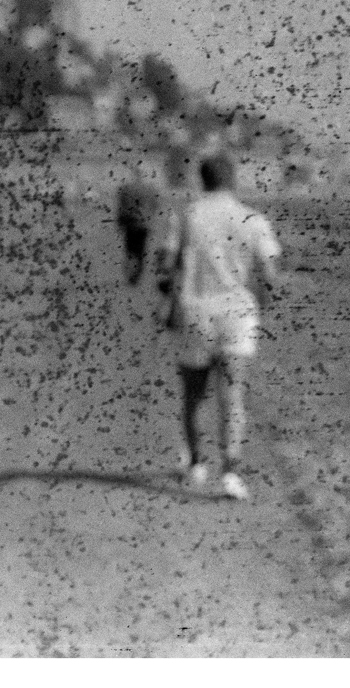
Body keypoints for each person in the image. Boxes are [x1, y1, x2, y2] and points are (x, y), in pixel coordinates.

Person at [148, 153, 285, 502]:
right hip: (237, 314)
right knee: (233, 394)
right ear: (232, 179)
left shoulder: (186, 215)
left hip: (196, 312)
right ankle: (231, 473)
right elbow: (269, 273)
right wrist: (263, 303)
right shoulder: (253, 218)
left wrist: (168, 297)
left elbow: (166, 264)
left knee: (194, 395)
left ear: (202, 179)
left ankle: (196, 463)